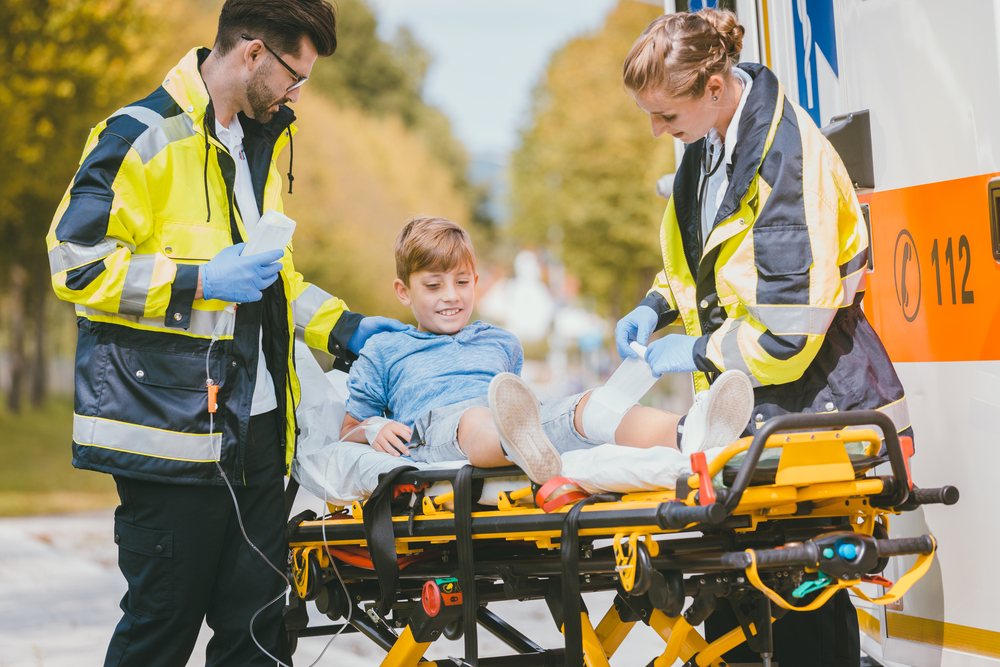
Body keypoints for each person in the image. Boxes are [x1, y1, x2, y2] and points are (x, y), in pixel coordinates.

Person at [45, 1, 406, 665]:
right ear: (251, 54)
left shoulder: (251, 148)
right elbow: (74, 260)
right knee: (159, 637)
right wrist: (198, 280)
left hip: (259, 442)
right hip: (172, 443)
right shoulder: (139, 134)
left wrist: (350, 326)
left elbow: (272, 282)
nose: (299, 92)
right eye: (295, 75)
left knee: (261, 641)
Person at [615, 9, 912, 667]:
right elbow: (709, 266)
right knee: (744, 598)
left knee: (797, 595)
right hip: (755, 407)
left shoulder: (785, 159)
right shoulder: (709, 148)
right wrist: (655, 308)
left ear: (715, 88)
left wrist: (695, 352)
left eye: (666, 114)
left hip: (811, 401)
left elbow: (789, 333)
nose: (659, 130)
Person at [340, 216, 756, 484]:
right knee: (477, 417)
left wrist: (543, 417)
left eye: (462, 282)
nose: (451, 296)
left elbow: (517, 403)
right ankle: (514, 443)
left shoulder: (500, 342)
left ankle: (691, 433)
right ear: (403, 291)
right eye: (433, 285)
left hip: (519, 424)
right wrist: (372, 429)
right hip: (437, 432)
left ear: (476, 282)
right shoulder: (385, 349)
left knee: (591, 406)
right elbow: (348, 430)